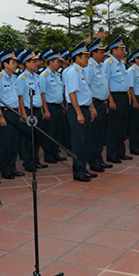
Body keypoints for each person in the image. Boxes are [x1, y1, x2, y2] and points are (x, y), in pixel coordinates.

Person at [64, 41, 97, 182]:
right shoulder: (73, 72)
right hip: (77, 110)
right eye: (85, 56)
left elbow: (85, 93)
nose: (88, 59)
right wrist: (78, 113)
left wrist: (91, 108)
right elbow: (72, 94)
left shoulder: (81, 71)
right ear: (77, 58)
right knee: (78, 143)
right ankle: (78, 172)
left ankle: (84, 168)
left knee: (86, 142)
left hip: (85, 109)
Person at [0, 50, 25, 180]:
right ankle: (5, 169)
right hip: (5, 113)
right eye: (13, 62)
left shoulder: (15, 78)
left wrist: (21, 113)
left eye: (16, 62)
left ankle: (13, 167)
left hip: (14, 112)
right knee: (6, 143)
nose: (16, 64)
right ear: (5, 64)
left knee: (14, 142)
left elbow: (18, 96)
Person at [85, 38, 113, 173]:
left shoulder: (101, 66)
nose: (104, 54)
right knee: (94, 135)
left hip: (102, 103)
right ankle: (93, 161)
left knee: (101, 134)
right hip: (94, 104)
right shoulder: (90, 67)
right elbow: (87, 88)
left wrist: (107, 102)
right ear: (93, 53)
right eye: (101, 52)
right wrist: (92, 107)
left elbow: (105, 86)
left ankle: (99, 159)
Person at [17, 50, 48, 172]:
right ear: (26, 63)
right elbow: (20, 96)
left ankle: (36, 160)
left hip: (37, 110)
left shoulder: (38, 77)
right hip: (28, 110)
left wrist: (44, 110)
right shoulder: (21, 78)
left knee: (37, 137)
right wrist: (23, 114)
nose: (37, 64)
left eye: (37, 61)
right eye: (34, 62)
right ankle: (28, 162)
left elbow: (41, 94)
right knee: (28, 138)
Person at [103, 36, 132, 164]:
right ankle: (111, 153)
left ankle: (121, 152)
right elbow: (106, 82)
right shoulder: (108, 63)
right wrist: (111, 100)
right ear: (113, 50)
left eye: (124, 49)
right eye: (121, 49)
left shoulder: (122, 63)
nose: (123, 51)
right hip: (115, 96)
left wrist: (129, 95)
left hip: (124, 96)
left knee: (122, 126)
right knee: (113, 127)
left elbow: (125, 81)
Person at [39, 48, 67, 164]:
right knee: (49, 132)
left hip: (58, 106)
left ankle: (55, 153)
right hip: (50, 106)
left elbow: (59, 91)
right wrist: (46, 110)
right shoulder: (44, 75)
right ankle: (49, 155)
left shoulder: (57, 75)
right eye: (57, 61)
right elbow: (42, 94)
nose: (60, 63)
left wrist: (62, 105)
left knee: (58, 132)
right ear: (50, 62)